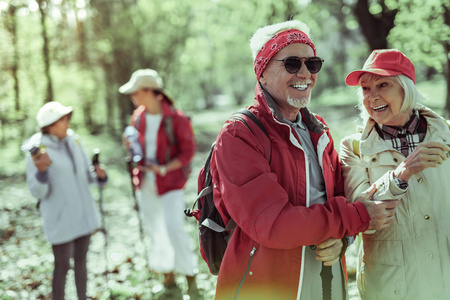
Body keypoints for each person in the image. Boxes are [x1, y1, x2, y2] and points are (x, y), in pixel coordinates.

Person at [210, 20, 400, 300]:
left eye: (312, 64)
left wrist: (342, 239)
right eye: (291, 64)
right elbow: (272, 223)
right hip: (266, 282)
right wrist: (357, 217)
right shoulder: (239, 135)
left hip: (326, 274)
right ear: (261, 73)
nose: (305, 73)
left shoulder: (318, 129)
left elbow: (338, 195)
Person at [340, 49, 450, 299]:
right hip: (391, 287)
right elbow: (361, 216)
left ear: (406, 87)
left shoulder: (447, 136)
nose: (372, 96)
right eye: (366, 89)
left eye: (383, 84)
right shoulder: (353, 148)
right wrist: (401, 173)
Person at [119, 69, 201, 299]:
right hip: (145, 182)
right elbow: (137, 148)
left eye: (136, 91)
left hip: (170, 182)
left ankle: (190, 274)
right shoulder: (138, 117)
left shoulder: (177, 118)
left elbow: (188, 152)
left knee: (174, 227)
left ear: (149, 91)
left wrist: (164, 168)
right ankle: (167, 273)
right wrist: (130, 147)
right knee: (155, 229)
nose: (133, 96)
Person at [24, 101, 107, 300]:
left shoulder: (73, 140)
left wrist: (100, 175)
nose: (67, 121)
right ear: (50, 125)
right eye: (63, 119)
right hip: (60, 217)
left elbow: (88, 174)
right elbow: (37, 191)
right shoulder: (36, 150)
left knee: (81, 261)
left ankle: (82, 297)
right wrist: (42, 172)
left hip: (83, 213)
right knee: (62, 265)